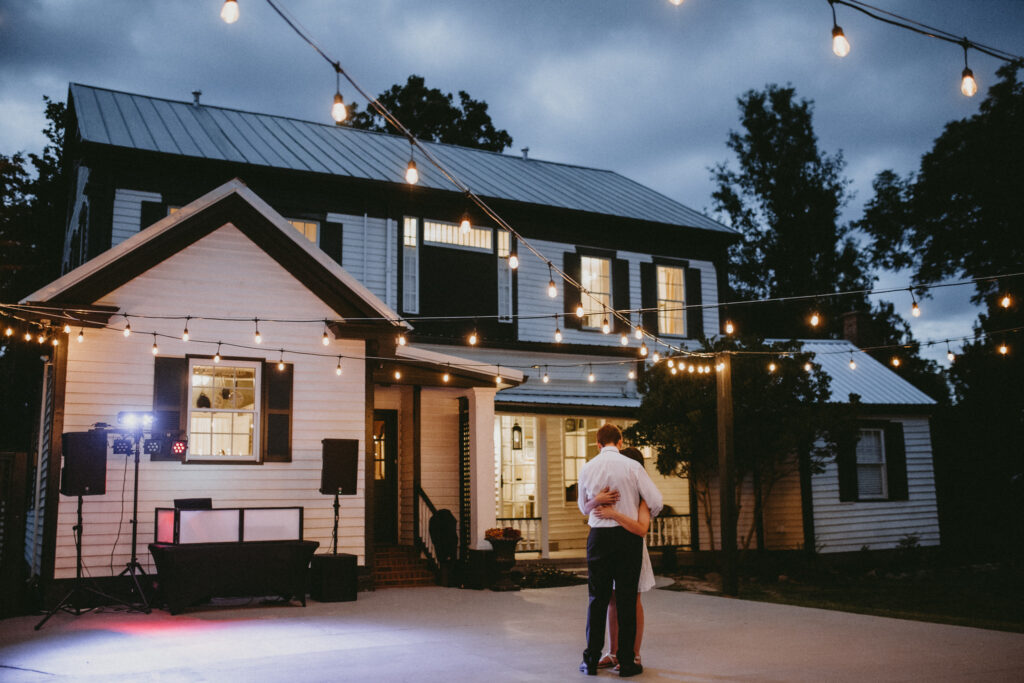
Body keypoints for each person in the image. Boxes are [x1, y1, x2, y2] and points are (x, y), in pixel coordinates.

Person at [577, 424, 663, 677]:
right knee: (626, 599)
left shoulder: (587, 467)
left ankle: (591, 660)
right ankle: (626, 662)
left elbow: (583, 508)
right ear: (621, 442)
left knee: (597, 599)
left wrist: (598, 502)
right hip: (627, 538)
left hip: (599, 537)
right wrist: (632, 503)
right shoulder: (633, 467)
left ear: (598, 443)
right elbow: (656, 501)